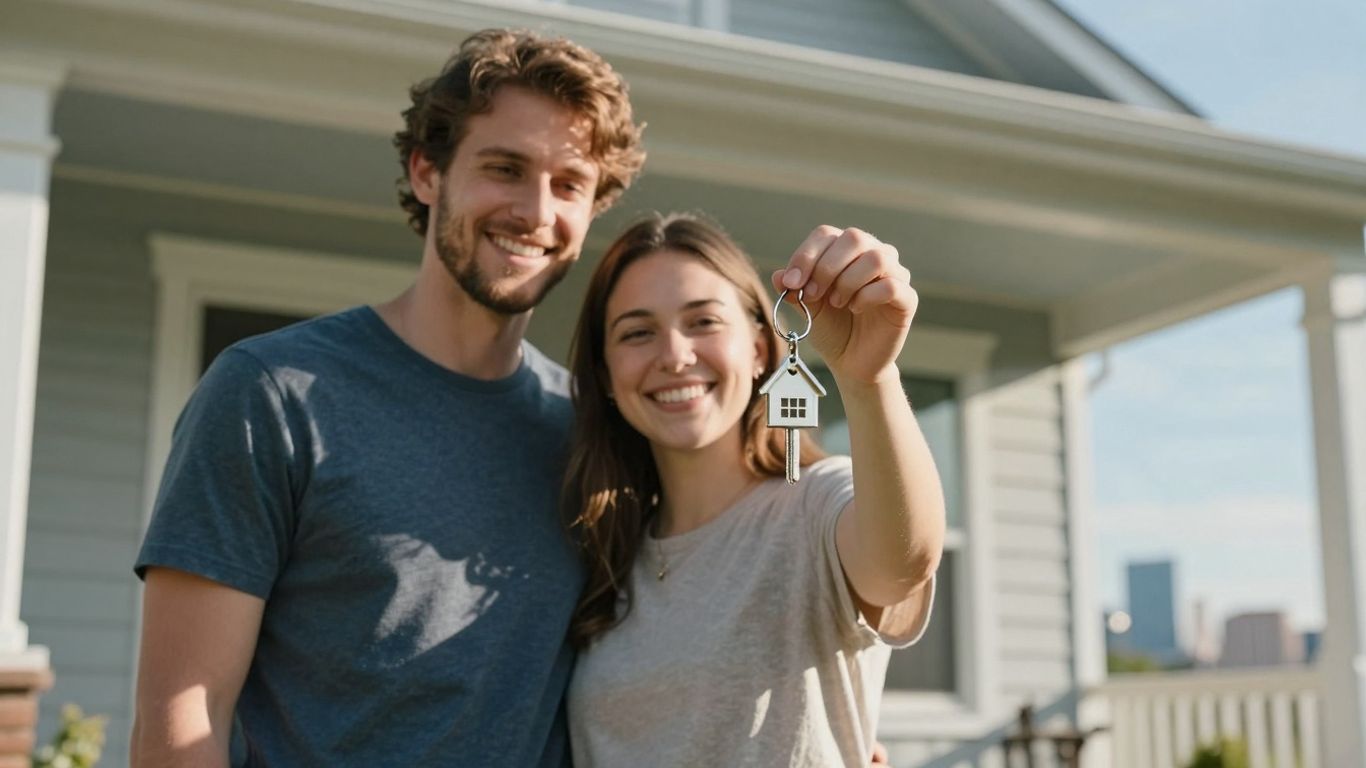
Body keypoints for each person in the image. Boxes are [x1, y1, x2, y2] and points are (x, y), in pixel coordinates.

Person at [131, 29, 644, 766]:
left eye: (569, 184)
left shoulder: (590, 432)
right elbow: (183, 714)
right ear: (428, 171)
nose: (536, 211)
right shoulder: (272, 395)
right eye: (505, 168)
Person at [562, 213, 946, 766]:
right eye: (637, 332)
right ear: (605, 374)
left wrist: (869, 380)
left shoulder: (814, 502)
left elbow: (903, 563)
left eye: (703, 322)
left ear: (762, 349)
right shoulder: (604, 550)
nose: (674, 355)